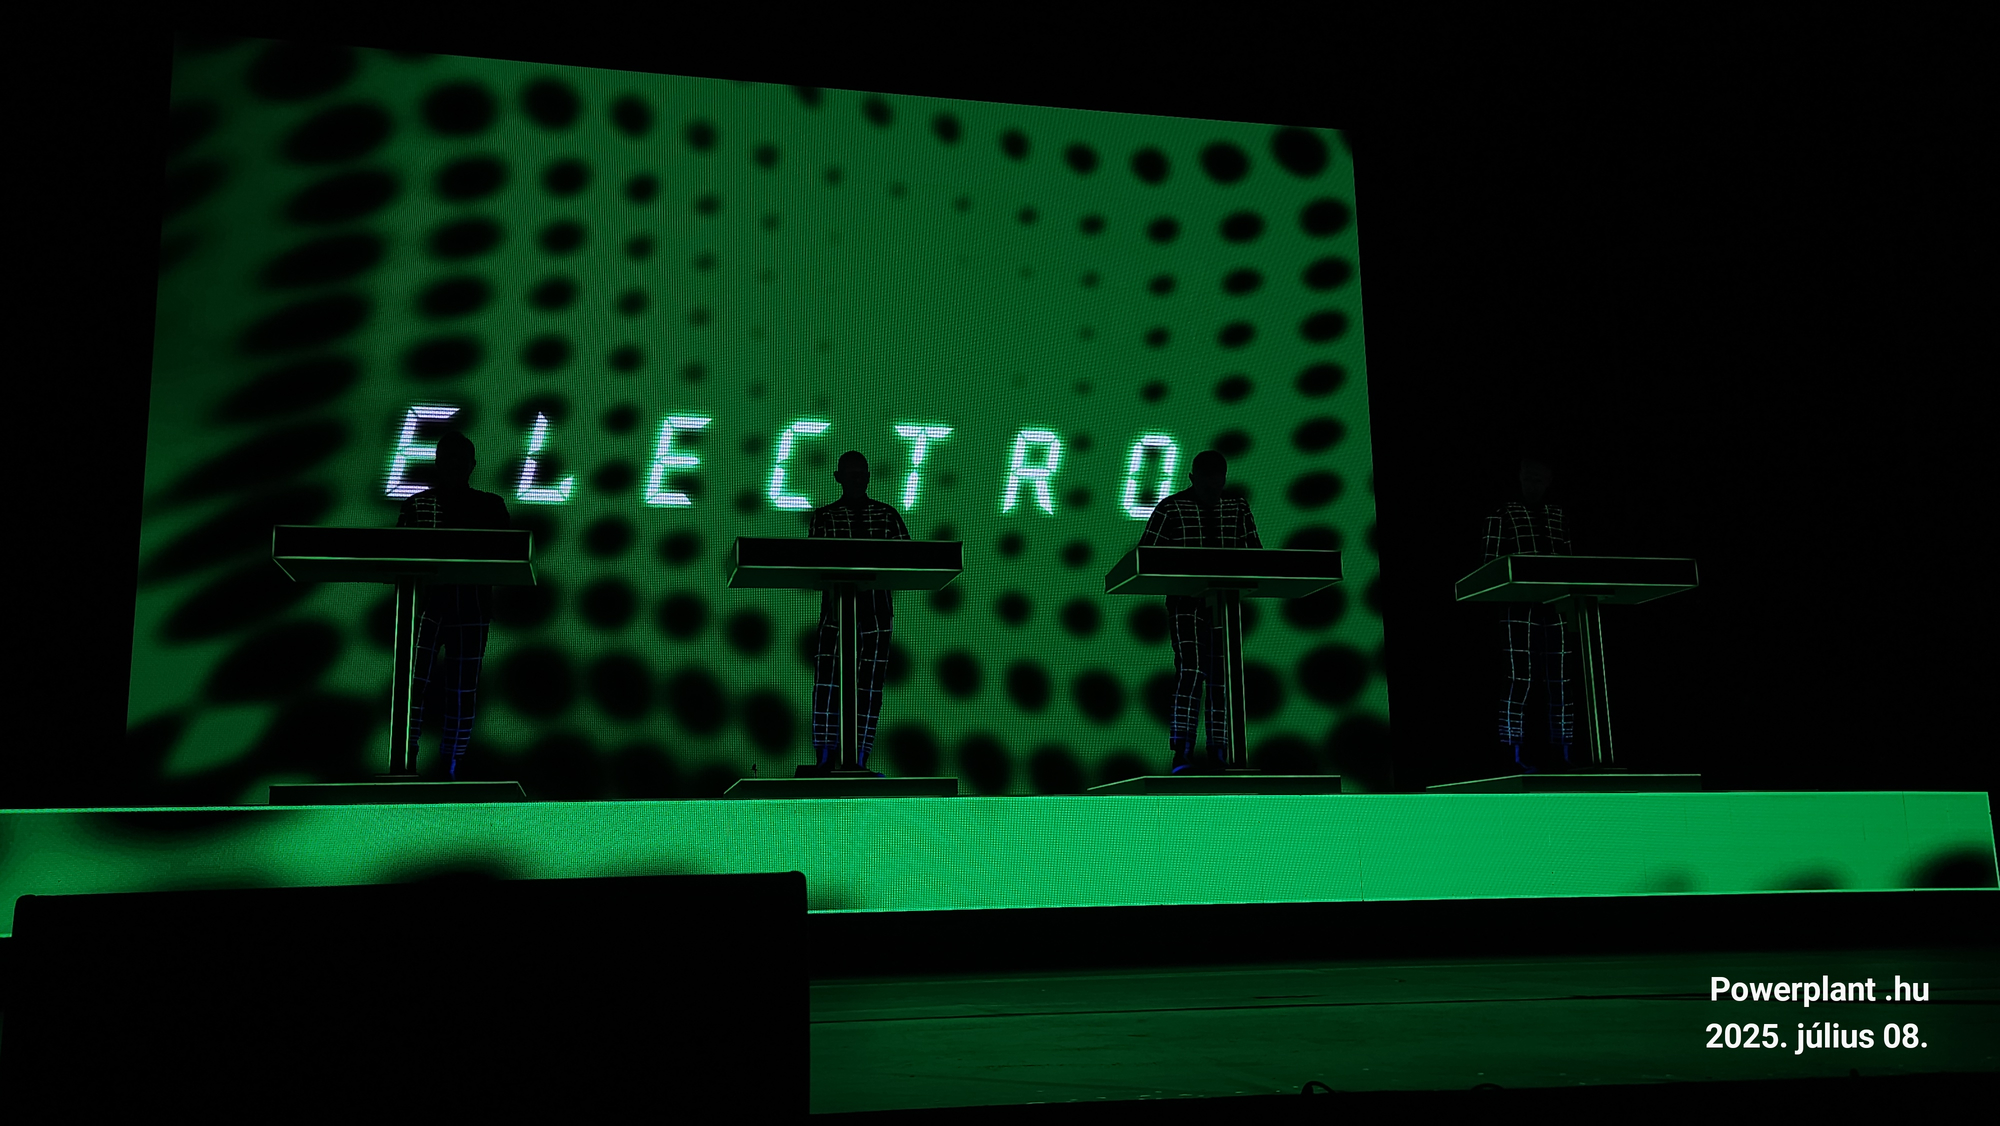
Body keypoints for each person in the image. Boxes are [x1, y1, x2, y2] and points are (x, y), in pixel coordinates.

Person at [1137, 450, 1262, 773]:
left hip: (1225, 604)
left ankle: (1219, 752)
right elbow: (1145, 557)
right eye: (1206, 484)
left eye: (1217, 484)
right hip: (1186, 603)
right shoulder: (1171, 508)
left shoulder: (1237, 508)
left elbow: (1257, 558)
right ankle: (1183, 752)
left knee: (1222, 677)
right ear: (1193, 479)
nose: (1212, 491)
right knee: (1192, 671)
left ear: (1224, 480)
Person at [395, 430, 510, 780]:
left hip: (459, 605)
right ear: (438, 463)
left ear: (471, 465)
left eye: (460, 460)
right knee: (417, 685)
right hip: (428, 605)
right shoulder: (418, 505)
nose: (454, 466)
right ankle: (413, 762)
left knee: (457, 690)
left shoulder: (488, 506)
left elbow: (507, 554)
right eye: (449, 459)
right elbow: (394, 555)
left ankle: (447, 768)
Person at [805, 451, 910, 773]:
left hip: (877, 614)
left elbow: (911, 558)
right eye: (850, 473)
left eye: (860, 473)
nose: (856, 479)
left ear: (868, 477)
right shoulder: (824, 517)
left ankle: (859, 760)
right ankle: (825, 760)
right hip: (836, 612)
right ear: (838, 477)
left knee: (870, 687)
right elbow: (812, 561)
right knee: (828, 683)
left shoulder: (887, 515)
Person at [1483, 454, 1574, 772]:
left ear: (1548, 482)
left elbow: (1571, 561)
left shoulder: (1557, 515)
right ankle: (1513, 753)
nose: (1531, 485)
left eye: (1538, 480)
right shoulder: (1503, 513)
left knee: (1560, 679)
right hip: (1517, 606)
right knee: (1518, 677)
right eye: (1527, 479)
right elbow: (1490, 565)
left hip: (1556, 604)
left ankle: (1563, 751)